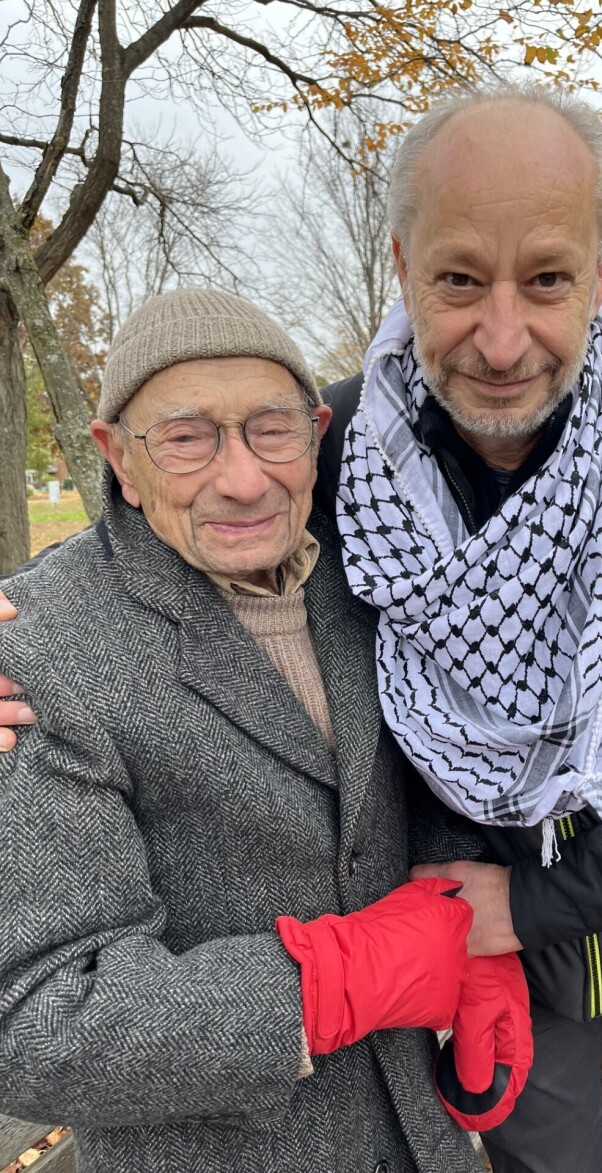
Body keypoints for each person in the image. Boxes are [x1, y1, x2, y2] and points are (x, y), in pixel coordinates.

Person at [0, 84, 602, 1173]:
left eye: (544, 279)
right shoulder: (330, 462)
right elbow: (158, 530)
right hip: (480, 955)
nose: (498, 339)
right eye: (456, 280)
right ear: (401, 266)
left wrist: (532, 904)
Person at [0, 288, 531, 1173]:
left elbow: (416, 765)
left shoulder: (368, 578)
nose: (243, 477)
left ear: (317, 434)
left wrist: (469, 933)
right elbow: (36, 1019)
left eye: (271, 430)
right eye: (186, 437)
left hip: (420, 1136)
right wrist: (331, 983)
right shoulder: (39, 649)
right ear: (118, 458)